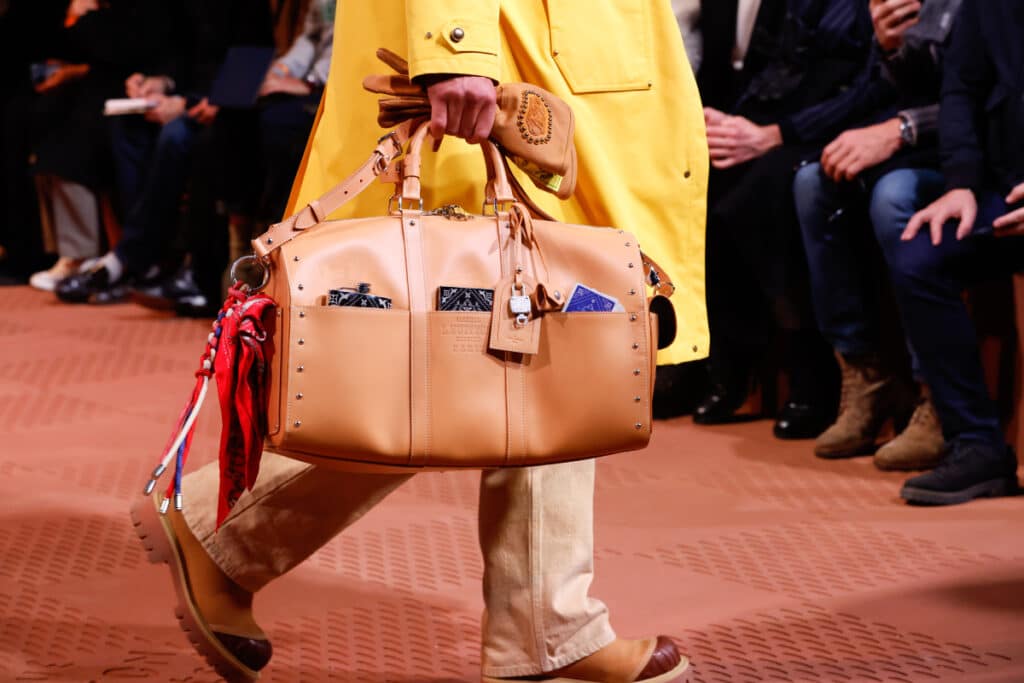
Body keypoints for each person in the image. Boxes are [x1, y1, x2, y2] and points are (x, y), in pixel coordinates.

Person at [132, 2, 707, 683]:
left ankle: (547, 625)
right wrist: (454, 46)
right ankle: (223, 533)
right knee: (443, 350)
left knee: (547, 342)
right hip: (500, 48)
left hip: (565, 52)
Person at [694, 0, 878, 439]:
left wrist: (773, 135)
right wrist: (735, 122)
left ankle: (812, 371)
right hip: (795, 123)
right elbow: (779, 68)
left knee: (767, 195)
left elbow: (869, 88)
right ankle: (724, 364)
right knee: (701, 179)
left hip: (853, 127)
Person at [791, 0, 959, 469]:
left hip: (972, 145)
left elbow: (981, 91)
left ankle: (937, 395)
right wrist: (889, 51)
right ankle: (867, 375)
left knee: (893, 198)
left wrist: (905, 128)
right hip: (921, 132)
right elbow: (876, 90)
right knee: (813, 183)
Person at [871, 0, 1022, 504]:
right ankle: (977, 446)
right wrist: (961, 184)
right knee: (921, 254)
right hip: (1005, 193)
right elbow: (962, 89)